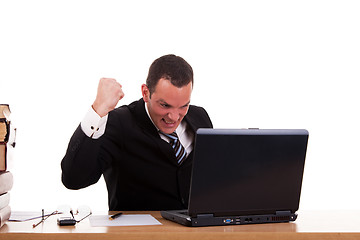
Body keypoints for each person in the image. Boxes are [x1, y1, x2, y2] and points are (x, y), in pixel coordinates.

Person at [61, 54, 213, 211]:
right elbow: (74, 179)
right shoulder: (119, 123)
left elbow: (210, 175)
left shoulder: (199, 117)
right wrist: (98, 110)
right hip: (139, 232)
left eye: (183, 106)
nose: (174, 117)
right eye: (165, 105)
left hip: (196, 232)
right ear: (146, 93)